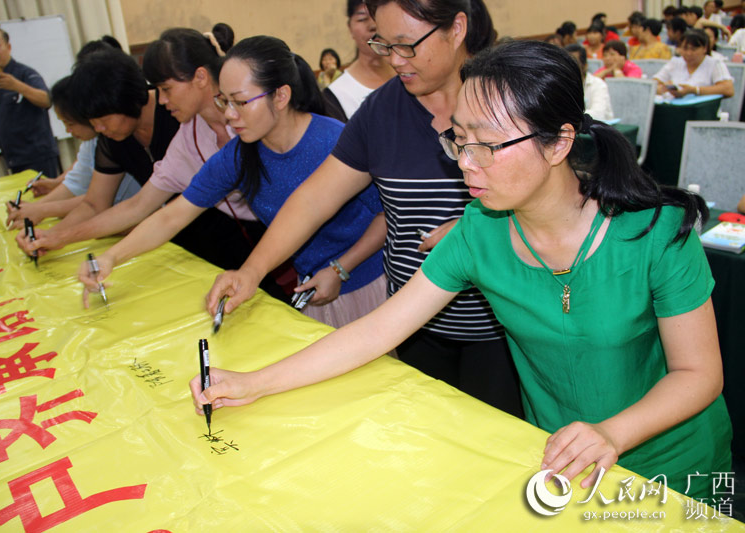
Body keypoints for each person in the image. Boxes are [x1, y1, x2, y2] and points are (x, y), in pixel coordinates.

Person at [191, 40, 731, 502]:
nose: (465, 162)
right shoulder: (480, 231)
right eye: (459, 140)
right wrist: (254, 383)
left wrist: (611, 434)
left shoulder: (655, 232)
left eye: (488, 145)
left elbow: (699, 374)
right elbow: (378, 329)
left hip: (673, 466)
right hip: (562, 458)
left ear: (559, 142)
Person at [206, 0, 523, 416]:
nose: (393, 60)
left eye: (406, 45)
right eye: (383, 43)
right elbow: (314, 198)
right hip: (413, 325)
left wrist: (482, 231)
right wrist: (252, 270)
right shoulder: (380, 113)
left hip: (501, 327)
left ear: (457, 28)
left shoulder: (512, 100)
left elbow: (565, 202)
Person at [80, 36, 387, 328]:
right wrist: (110, 257)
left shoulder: (334, 141)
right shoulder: (239, 154)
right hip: (314, 289)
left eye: (240, 102)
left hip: (371, 283)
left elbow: (388, 215)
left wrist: (341, 268)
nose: (228, 115)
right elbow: (173, 215)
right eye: (224, 102)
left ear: (280, 95)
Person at [14, 48, 180, 259]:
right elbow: (94, 204)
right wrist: (51, 236)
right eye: (93, 122)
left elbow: (149, 206)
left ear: (125, 99)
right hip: (171, 237)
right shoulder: (112, 140)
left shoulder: (175, 114)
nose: (99, 129)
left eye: (103, 120)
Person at [5, 75, 140, 230]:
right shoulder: (92, 142)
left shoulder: (116, 139)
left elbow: (98, 201)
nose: (67, 131)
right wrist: (35, 208)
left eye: (70, 123)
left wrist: (42, 212)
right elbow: (75, 184)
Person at [0, 23, 59, 180]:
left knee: (45, 201)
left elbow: (46, 100)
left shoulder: (25, 74)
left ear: (8, 47)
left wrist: (16, 86)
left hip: (37, 156)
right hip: (14, 159)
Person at [322, 0, 397, 122]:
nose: (372, 25)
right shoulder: (336, 96)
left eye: (377, 16)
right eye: (362, 19)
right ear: (350, 28)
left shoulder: (411, 73)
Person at [654, 29, 734, 99]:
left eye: (694, 49)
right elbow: (653, 84)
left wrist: (694, 90)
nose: (689, 53)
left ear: (704, 48)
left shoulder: (714, 64)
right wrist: (663, 89)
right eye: (685, 49)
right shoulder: (675, 62)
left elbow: (728, 89)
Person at [565, 44, 613, 121]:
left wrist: (569, 115)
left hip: (598, 129)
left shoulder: (598, 84)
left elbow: (598, 114)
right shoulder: (563, 85)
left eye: (574, 64)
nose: (569, 68)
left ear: (585, 65)